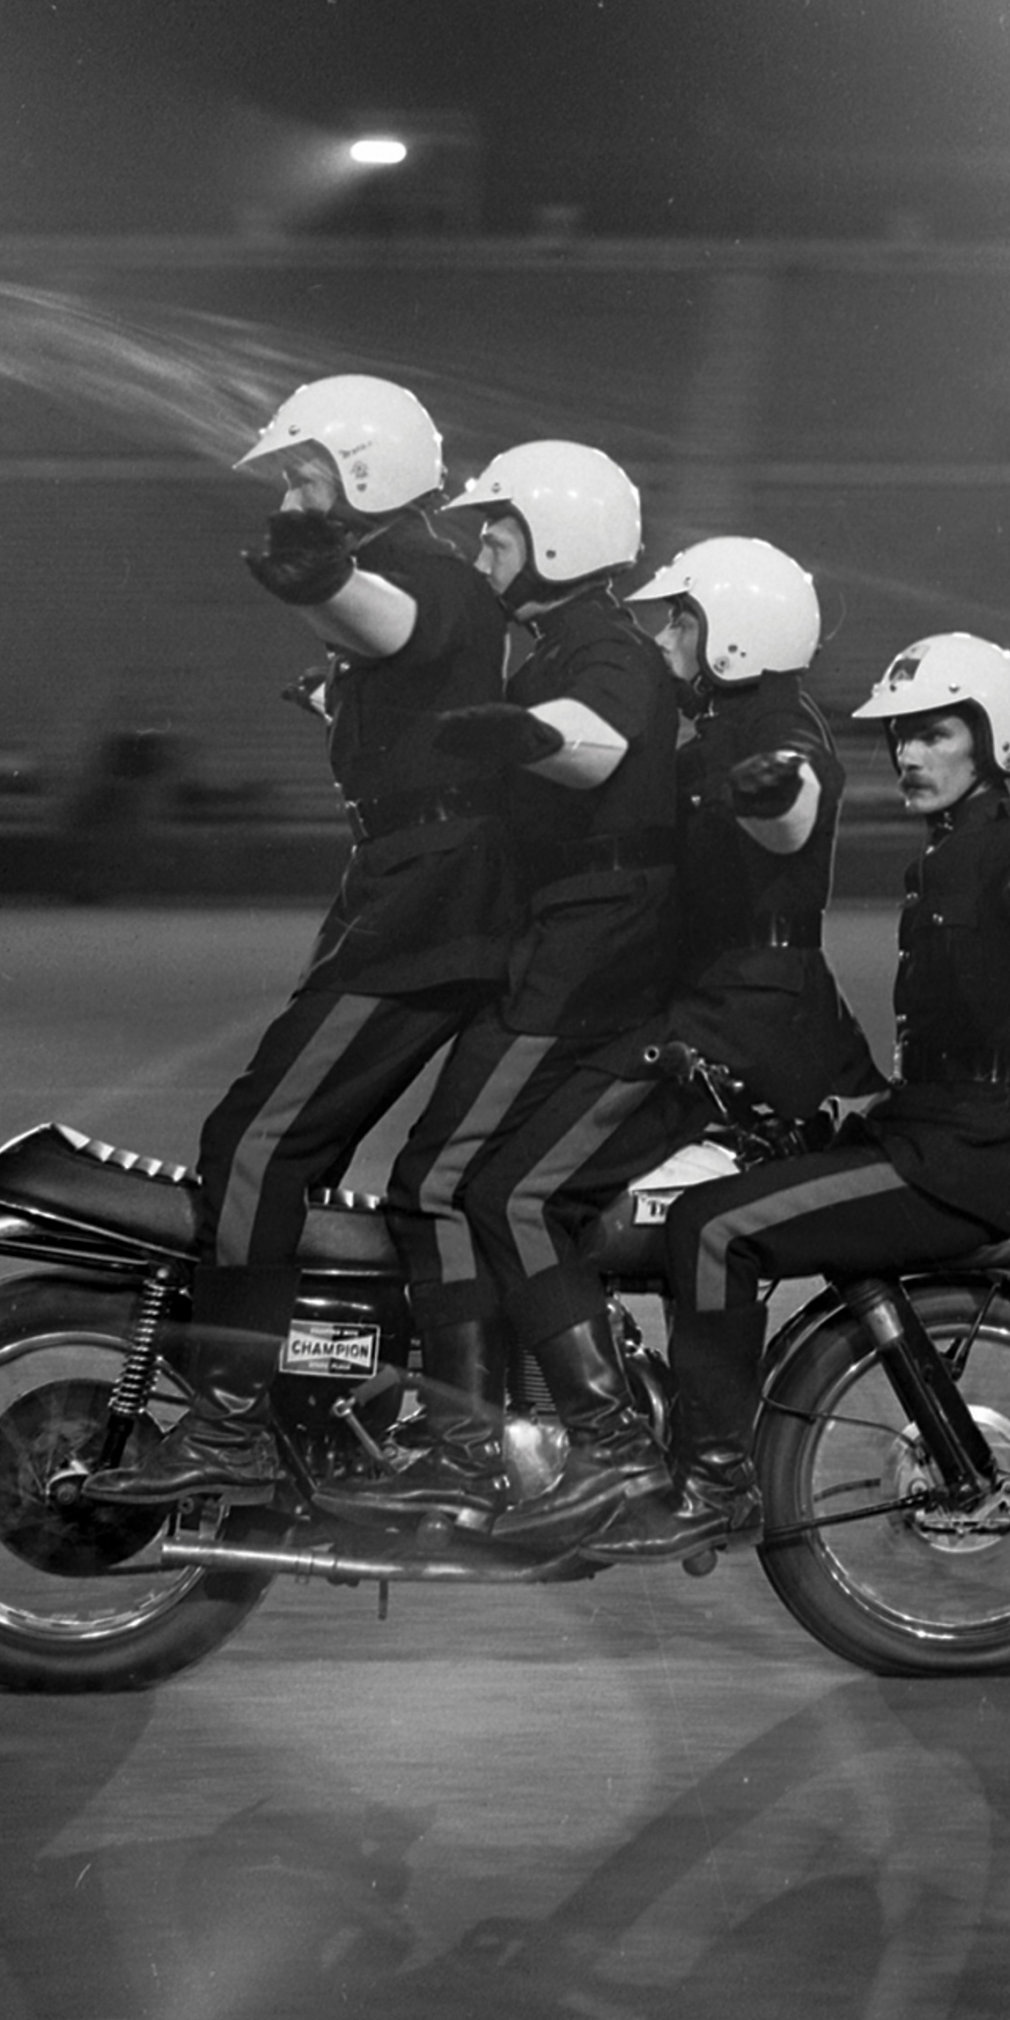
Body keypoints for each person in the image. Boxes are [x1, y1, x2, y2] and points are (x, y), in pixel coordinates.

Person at [572, 631, 1010, 1563]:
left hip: (962, 1158)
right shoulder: (940, 859)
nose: (908, 755)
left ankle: (715, 1479)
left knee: (714, 1228)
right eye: (900, 737)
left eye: (934, 734)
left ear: (990, 738)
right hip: (924, 1128)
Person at [392, 536, 884, 1539]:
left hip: (726, 1030)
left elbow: (792, 800)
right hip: (713, 1017)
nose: (659, 636)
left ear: (736, 636)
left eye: (680, 621)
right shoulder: (709, 733)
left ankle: (607, 1444)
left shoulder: (774, 729)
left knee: (510, 1190)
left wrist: (772, 792)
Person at [88, 375, 517, 1505]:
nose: (291, 489)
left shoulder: (425, 571)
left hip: (431, 903)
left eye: (306, 468)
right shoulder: (416, 575)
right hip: (414, 888)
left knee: (260, 1145)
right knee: (322, 1160)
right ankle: (328, 1388)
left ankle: (228, 1424)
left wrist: (322, 583)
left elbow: (392, 613)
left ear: (368, 466)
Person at [329, 441, 685, 1522]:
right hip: (570, 942)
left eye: (500, 528)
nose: (481, 544)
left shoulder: (605, 650)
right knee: (453, 1176)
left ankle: (556, 1440)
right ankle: (482, 1434)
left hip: (587, 947)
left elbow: (594, 743)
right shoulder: (547, 650)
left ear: (560, 538)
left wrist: (523, 733)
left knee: (448, 1178)